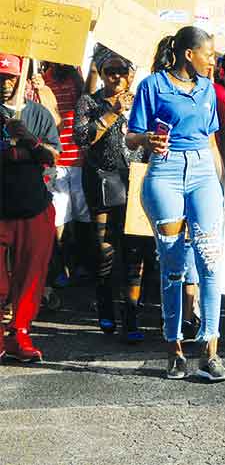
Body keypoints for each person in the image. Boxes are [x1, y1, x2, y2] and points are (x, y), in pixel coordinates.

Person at [126, 26, 225, 382]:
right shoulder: (152, 86)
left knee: (210, 260)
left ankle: (211, 351)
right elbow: (130, 137)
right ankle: (174, 348)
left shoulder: (208, 89)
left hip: (203, 171)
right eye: (209, 54)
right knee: (173, 265)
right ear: (190, 54)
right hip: (165, 173)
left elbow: (213, 141)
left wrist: (220, 185)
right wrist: (147, 139)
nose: (213, 59)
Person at [74, 47, 146, 342]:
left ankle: (131, 316)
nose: (115, 76)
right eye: (109, 71)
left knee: (134, 254)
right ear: (101, 74)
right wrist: (111, 112)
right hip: (102, 182)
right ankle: (105, 308)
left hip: (136, 181)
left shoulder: (142, 101)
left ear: (131, 75)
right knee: (104, 251)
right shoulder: (89, 101)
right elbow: (82, 137)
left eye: (121, 71)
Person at [0, 53, 61, 362]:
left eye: (10, 77)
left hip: (33, 203)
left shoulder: (38, 114)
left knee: (31, 275)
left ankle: (19, 333)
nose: (4, 83)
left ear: (20, 76)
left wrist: (29, 141)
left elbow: (53, 156)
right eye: (0, 77)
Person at [38, 63, 91, 287]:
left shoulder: (75, 74)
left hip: (79, 158)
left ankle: (81, 264)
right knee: (57, 218)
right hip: (56, 158)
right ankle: (58, 267)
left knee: (82, 215)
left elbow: (85, 100)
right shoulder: (42, 79)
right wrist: (40, 88)